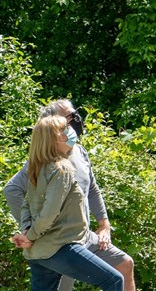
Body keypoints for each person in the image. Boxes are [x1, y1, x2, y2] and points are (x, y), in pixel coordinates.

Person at [4, 99, 135, 291]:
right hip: (60, 242)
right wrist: (29, 232)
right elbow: (20, 196)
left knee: (124, 264)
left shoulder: (77, 152)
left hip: (77, 237)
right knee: (112, 280)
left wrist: (104, 224)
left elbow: (92, 189)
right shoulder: (50, 165)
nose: (74, 123)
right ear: (53, 131)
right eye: (68, 120)